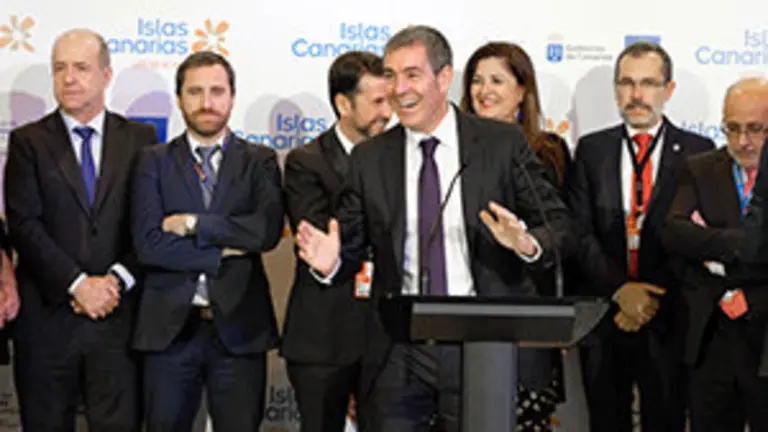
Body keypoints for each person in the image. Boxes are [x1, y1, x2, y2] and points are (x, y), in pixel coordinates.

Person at [294, 25, 573, 431]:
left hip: (481, 343)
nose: (399, 89)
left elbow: (559, 225)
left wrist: (528, 243)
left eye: (412, 75)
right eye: (391, 76)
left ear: (443, 78)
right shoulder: (370, 158)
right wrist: (331, 263)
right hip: (398, 349)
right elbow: (350, 245)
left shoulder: (500, 143)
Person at [4, 28, 156, 430]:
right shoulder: (27, 141)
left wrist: (114, 282)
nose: (68, 78)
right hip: (48, 322)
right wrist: (77, 284)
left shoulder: (142, 139)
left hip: (118, 319)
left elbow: (149, 225)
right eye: (59, 68)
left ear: (106, 75)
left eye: (81, 68)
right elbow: (24, 224)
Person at [566, 41, 715, 431]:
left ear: (669, 89)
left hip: (669, 313)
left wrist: (648, 298)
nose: (636, 94)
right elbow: (579, 232)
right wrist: (621, 291)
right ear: (616, 90)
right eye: (626, 83)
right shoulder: (591, 149)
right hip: (605, 314)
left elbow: (696, 237)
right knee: (605, 421)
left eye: (648, 83)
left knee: (666, 420)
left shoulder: (699, 152)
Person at [131, 51, 283, 431]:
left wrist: (193, 224)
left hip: (240, 329)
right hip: (168, 331)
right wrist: (223, 252)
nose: (206, 102)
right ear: (179, 98)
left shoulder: (259, 160)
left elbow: (264, 232)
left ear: (232, 96)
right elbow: (149, 244)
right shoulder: (153, 161)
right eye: (195, 92)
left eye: (217, 91)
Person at [460, 41, 570, 431]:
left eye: (497, 80)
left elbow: (563, 231)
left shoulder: (547, 151)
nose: (484, 91)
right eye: (477, 80)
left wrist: (526, 242)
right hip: (457, 317)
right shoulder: (449, 149)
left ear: (522, 90)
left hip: (522, 316)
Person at [281, 50, 392, 432]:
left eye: (390, 101)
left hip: (384, 338)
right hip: (323, 338)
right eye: (377, 102)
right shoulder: (306, 162)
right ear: (344, 104)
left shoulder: (401, 157)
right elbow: (322, 238)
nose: (387, 113)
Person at [663, 77, 768, 432]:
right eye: (732, 128)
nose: (742, 141)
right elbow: (676, 234)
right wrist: (750, 246)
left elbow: (696, 240)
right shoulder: (700, 168)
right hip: (712, 338)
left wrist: (717, 256)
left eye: (755, 129)